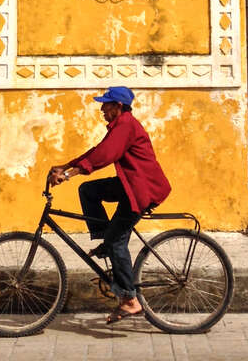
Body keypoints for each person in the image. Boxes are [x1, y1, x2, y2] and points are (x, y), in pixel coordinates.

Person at [48, 86, 171, 325]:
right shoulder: (119, 126)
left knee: (117, 241)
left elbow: (105, 156)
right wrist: (66, 165)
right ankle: (108, 242)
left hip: (140, 190)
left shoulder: (126, 125)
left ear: (118, 107)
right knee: (89, 190)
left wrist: (70, 174)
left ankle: (129, 300)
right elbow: (97, 151)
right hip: (129, 184)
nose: (102, 109)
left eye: (106, 105)